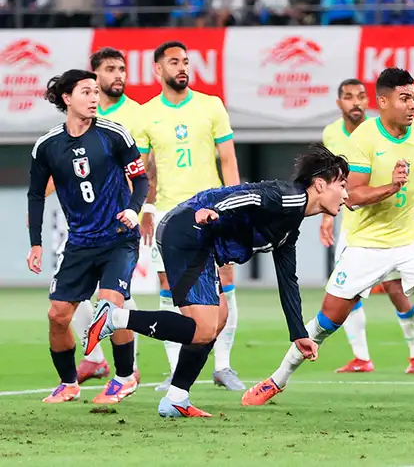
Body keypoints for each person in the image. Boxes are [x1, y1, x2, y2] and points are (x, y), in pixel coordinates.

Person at [244, 67, 414, 408]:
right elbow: (353, 196)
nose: (412, 105)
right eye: (404, 98)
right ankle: (277, 379)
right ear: (383, 102)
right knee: (326, 322)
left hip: (412, 241)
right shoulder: (364, 139)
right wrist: (392, 186)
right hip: (366, 245)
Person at [86, 145, 350, 418]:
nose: (346, 194)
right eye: (342, 185)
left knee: (219, 318)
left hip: (199, 240)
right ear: (320, 185)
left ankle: (176, 398)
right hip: (188, 230)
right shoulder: (290, 197)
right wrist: (214, 209)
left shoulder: (289, 227)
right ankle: (115, 318)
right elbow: (249, 195)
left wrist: (298, 334)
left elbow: (288, 281)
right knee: (202, 328)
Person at [27, 69, 149, 404]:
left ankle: (124, 378)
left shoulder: (114, 134)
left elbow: (141, 180)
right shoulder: (47, 146)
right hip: (79, 242)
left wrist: (133, 209)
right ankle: (68, 384)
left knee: (110, 307)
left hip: (118, 237)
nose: (94, 98)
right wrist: (35, 243)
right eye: (86, 92)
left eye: (96, 92)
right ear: (67, 98)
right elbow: (36, 195)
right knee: (57, 316)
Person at [134, 41, 244, 391]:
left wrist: (236, 204)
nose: (182, 67)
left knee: (224, 282)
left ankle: (223, 366)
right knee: (169, 288)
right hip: (169, 213)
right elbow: (143, 172)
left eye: (185, 61)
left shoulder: (211, 105)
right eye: (174, 62)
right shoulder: (146, 114)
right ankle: (174, 369)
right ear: (158, 69)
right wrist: (144, 209)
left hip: (213, 209)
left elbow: (228, 159)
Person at [320, 78, 414, 375]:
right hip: (352, 228)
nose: (355, 102)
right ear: (339, 103)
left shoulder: (381, 130)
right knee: (347, 293)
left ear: (370, 101)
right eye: (348, 97)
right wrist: (327, 215)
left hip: (388, 224)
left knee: (395, 289)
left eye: (360, 96)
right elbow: (332, 181)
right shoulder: (331, 134)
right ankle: (361, 357)